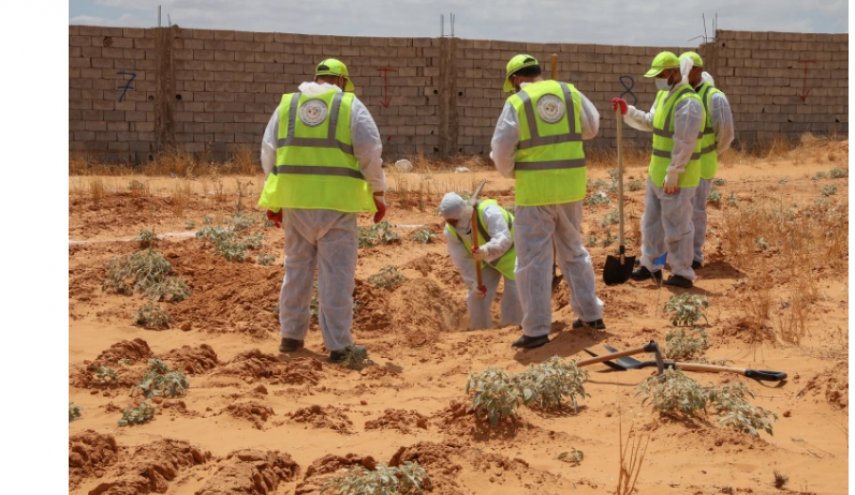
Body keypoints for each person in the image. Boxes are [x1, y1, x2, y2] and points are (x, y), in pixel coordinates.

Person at [258, 58, 387, 362]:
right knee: (337, 277)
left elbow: (269, 153)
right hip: (337, 207)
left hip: (296, 204)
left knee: (297, 271)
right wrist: (378, 193)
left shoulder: (288, 106)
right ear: (341, 81)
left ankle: (290, 338)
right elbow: (370, 152)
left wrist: (277, 199)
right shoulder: (350, 106)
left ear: (316, 79)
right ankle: (339, 346)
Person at [490, 54, 605, 349]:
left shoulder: (517, 102)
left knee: (533, 260)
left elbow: (501, 150)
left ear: (516, 79)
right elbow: (592, 128)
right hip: (570, 188)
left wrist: (513, 171)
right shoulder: (569, 92)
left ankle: (537, 328)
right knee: (573, 250)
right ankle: (591, 314)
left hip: (535, 191)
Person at [612, 51, 705, 289]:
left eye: (662, 75)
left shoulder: (689, 102)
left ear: (675, 72)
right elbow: (650, 121)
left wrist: (675, 171)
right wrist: (628, 112)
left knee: (678, 225)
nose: (659, 80)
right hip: (657, 174)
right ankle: (650, 264)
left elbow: (685, 142)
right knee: (651, 221)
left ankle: (682, 272)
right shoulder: (664, 95)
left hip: (678, 177)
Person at [679, 51, 735, 269]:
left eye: (686, 69)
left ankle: (694, 256)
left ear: (697, 70)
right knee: (675, 211)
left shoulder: (714, 98)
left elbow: (726, 134)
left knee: (696, 211)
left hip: (702, 166)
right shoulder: (681, 94)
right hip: (680, 166)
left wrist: (712, 150)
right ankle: (674, 253)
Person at [439, 192, 523, 330]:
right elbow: (462, 261)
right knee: (476, 296)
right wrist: (473, 284)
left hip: (515, 252)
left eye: (456, 220)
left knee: (514, 297)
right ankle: (479, 332)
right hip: (486, 261)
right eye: (450, 222)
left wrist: (486, 250)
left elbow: (504, 239)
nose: (455, 225)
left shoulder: (488, 212)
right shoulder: (451, 232)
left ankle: (513, 331)